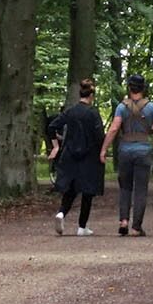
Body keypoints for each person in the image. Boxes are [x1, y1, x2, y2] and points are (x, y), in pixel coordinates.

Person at [45, 77, 106, 237]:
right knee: (88, 191)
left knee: (71, 190)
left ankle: (61, 213)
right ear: (91, 96)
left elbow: (52, 126)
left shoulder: (70, 112)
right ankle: (82, 227)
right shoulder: (93, 113)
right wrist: (102, 150)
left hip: (70, 155)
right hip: (89, 157)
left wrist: (57, 146)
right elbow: (99, 135)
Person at [104, 76, 153, 237]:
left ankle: (123, 221)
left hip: (125, 150)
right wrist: (148, 129)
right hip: (143, 150)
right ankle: (136, 227)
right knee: (141, 190)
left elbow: (114, 128)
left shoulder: (121, 107)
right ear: (143, 88)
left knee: (125, 187)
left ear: (129, 88)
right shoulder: (151, 107)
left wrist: (104, 149)